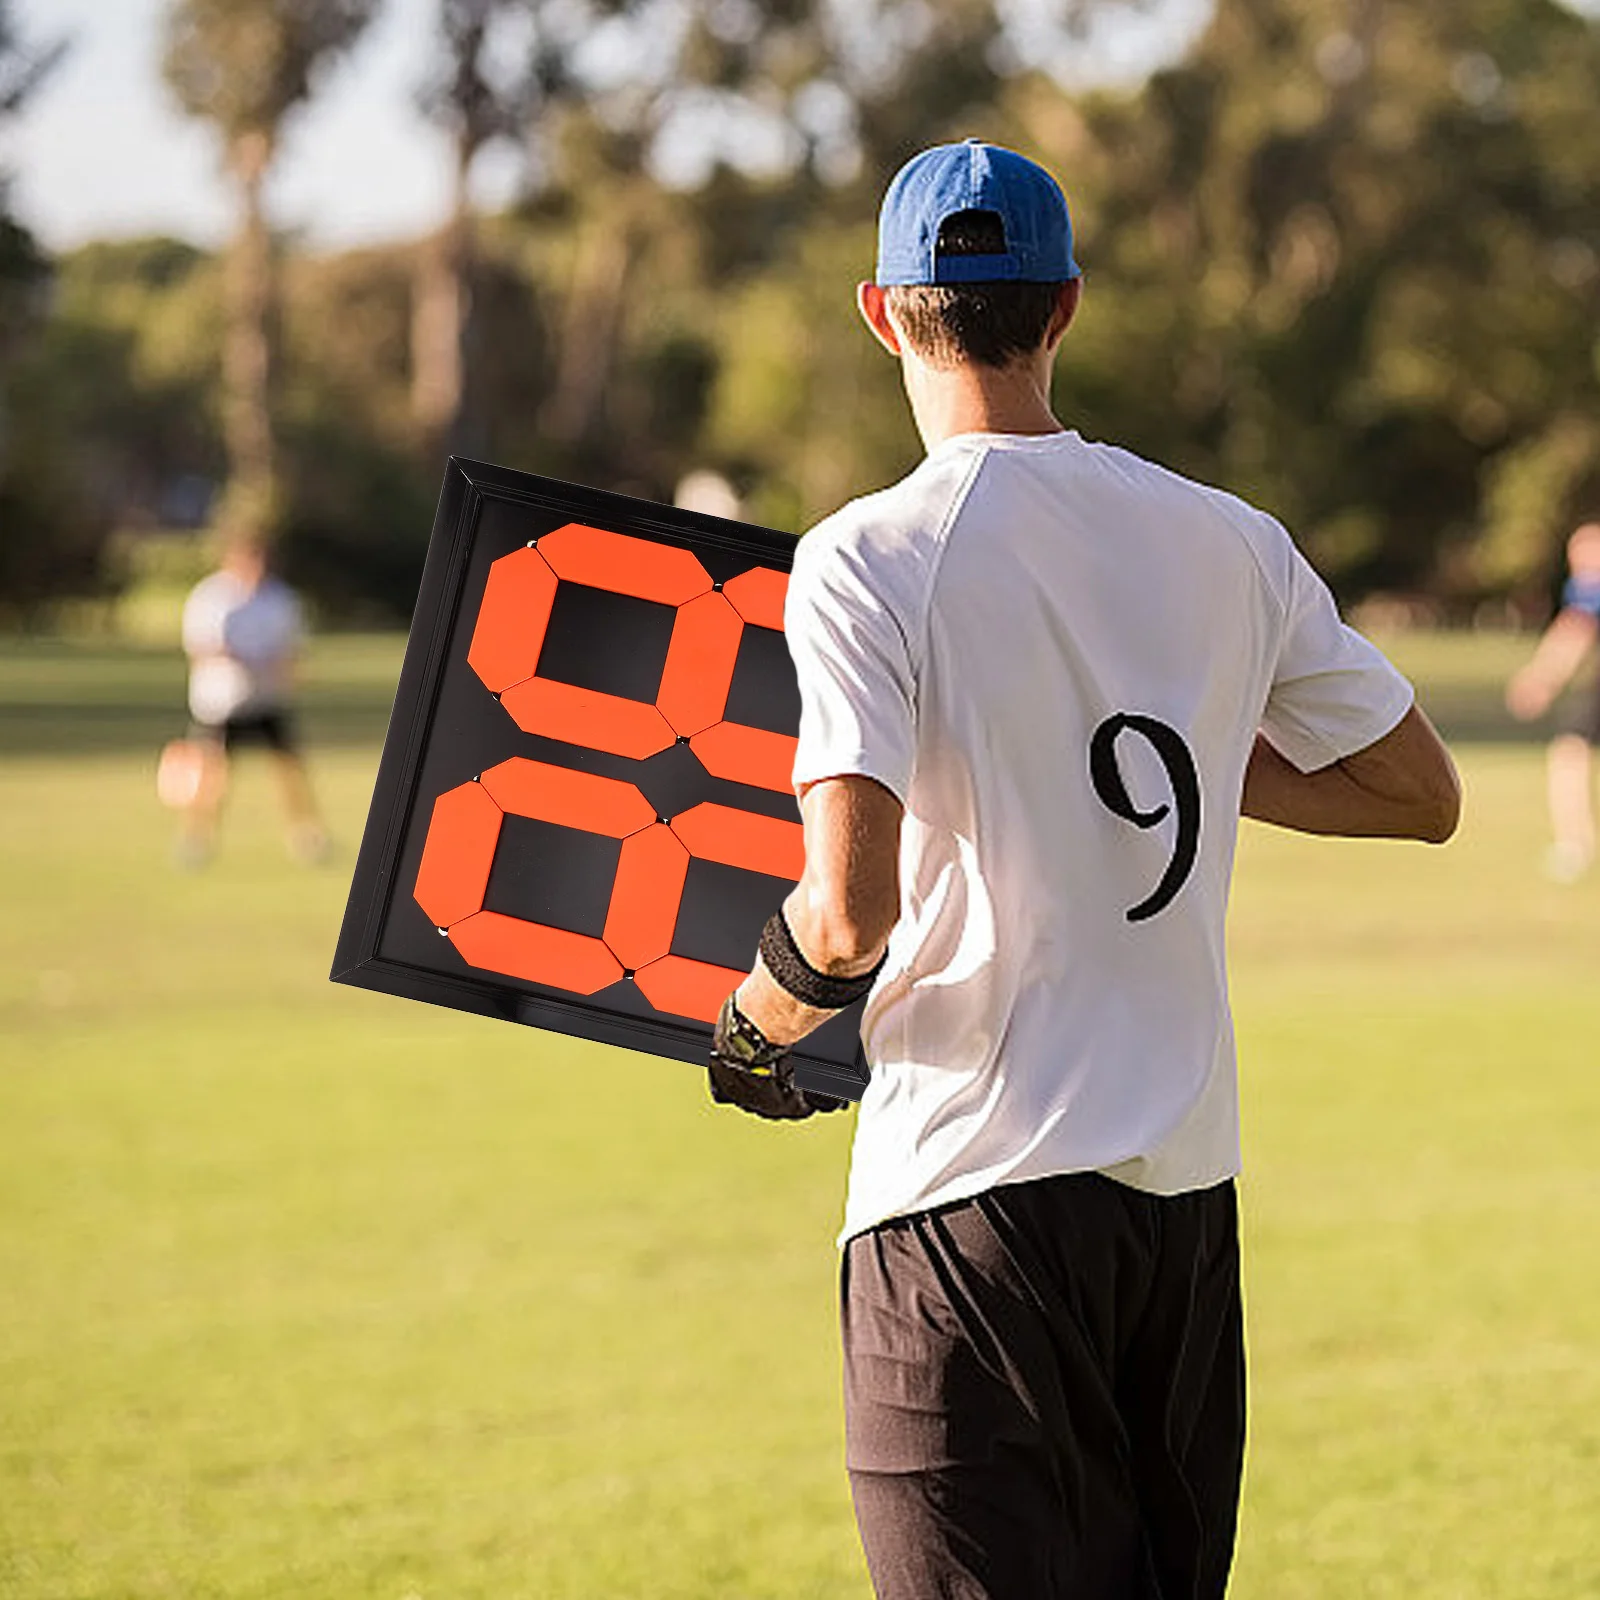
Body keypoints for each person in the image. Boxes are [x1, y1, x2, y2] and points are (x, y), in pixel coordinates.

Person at [705, 140, 1461, 1600]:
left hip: (965, 1201)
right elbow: (1418, 794)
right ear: (1065, 312)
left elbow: (845, 917)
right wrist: (1197, 731)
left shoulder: (868, 555)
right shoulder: (1232, 541)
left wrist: (758, 1029)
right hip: (1181, 1211)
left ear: (882, 311)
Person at [175, 535, 328, 867]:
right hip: (222, 702)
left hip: (267, 698)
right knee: (214, 773)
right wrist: (239, 659)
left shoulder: (279, 599)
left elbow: (292, 649)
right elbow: (200, 648)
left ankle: (306, 835)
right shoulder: (211, 598)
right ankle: (197, 839)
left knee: (289, 768)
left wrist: (283, 669)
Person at [1506, 521, 1600, 882]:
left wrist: (1540, 679)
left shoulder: (1590, 586)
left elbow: (1575, 633)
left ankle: (1575, 844)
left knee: (1568, 758)